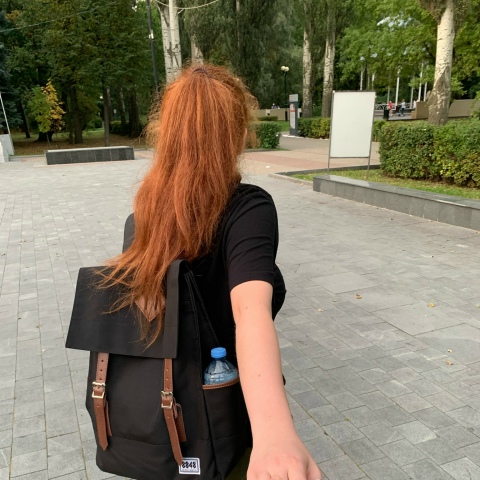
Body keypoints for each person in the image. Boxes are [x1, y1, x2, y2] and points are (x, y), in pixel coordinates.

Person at [101, 64, 322, 480]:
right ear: (238, 134)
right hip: (221, 420)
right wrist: (275, 433)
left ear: (166, 134)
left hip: (158, 421)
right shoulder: (247, 210)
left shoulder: (142, 218)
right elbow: (250, 311)